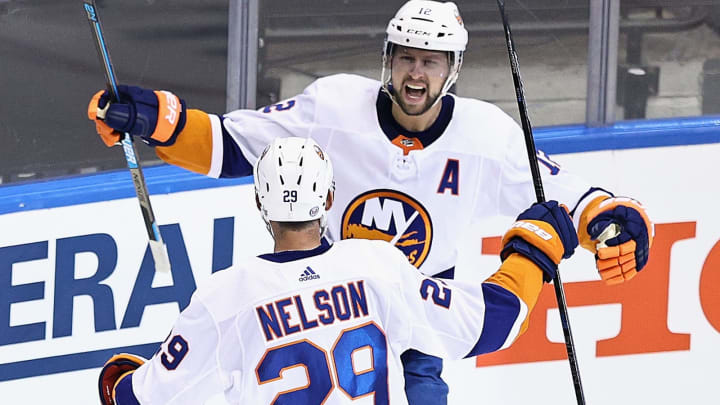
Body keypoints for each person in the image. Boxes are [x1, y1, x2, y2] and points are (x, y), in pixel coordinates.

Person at [87, 1, 654, 403]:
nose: (415, 72)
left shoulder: (488, 137)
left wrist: (615, 220)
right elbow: (232, 145)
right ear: (389, 58)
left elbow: (568, 194)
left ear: (453, 69)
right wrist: (154, 120)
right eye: (406, 57)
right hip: (339, 301)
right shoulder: (333, 108)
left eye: (430, 62)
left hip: (418, 306)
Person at [98, 136, 580, 405]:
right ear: (329, 200)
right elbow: (491, 323)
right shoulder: (376, 266)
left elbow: (140, 400)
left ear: (261, 204)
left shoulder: (226, 297)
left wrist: (118, 381)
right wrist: (534, 251)